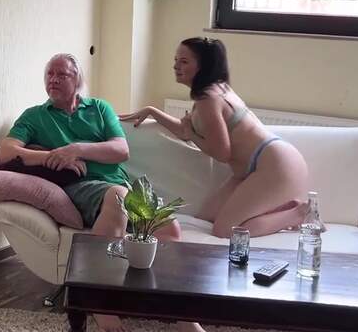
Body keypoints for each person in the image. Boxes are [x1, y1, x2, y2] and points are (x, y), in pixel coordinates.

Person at [0, 53, 235, 332]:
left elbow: (121, 150)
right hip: (83, 188)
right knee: (118, 198)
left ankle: (189, 327)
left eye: (62, 75)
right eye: (49, 75)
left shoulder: (99, 108)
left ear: (77, 80)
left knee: (169, 229)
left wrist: (77, 149)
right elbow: (4, 153)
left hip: (121, 185)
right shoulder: (35, 116)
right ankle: (99, 299)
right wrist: (50, 156)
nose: (53, 80)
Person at [121, 37, 309, 239]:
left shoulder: (208, 100)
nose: (175, 66)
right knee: (205, 218)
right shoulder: (214, 90)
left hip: (274, 164)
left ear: (203, 66)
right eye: (176, 60)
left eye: (184, 61)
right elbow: (185, 131)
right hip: (256, 167)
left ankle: (299, 214)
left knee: (225, 230)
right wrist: (152, 111)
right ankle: (281, 210)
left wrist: (192, 134)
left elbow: (221, 152)